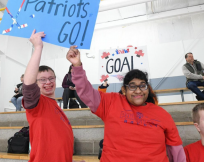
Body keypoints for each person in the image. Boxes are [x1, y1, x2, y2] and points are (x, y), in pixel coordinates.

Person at [66, 45, 185, 162]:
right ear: (124, 90)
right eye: (132, 86)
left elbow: (176, 151)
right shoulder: (111, 102)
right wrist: (77, 66)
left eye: (142, 86)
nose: (138, 91)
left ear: (147, 88)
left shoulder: (163, 115)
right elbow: (86, 93)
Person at [22, 29, 77, 162]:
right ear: (36, 83)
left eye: (51, 78)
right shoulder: (37, 103)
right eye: (42, 79)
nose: (48, 82)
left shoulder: (56, 106)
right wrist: (38, 48)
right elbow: (28, 84)